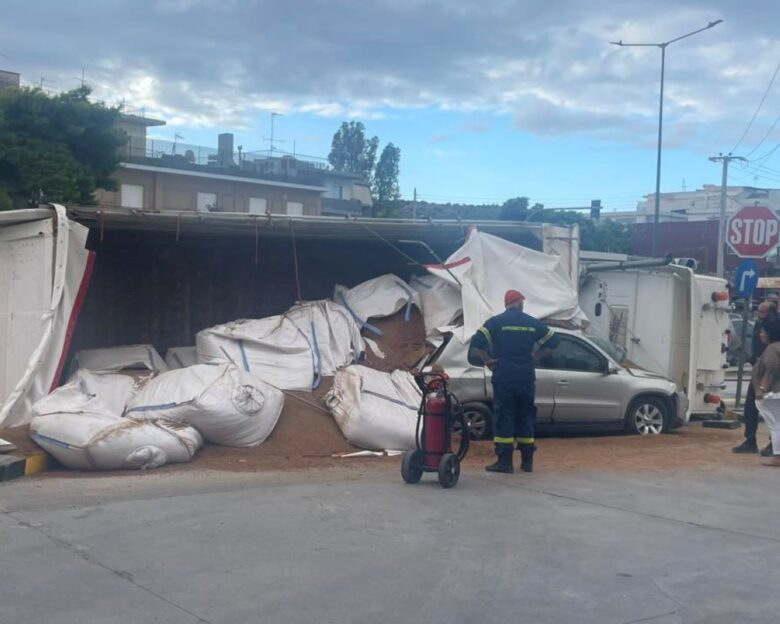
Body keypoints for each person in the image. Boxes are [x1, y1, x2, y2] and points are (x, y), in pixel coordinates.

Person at [468, 289, 559, 474]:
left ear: (506, 303)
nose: (523, 304)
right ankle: (527, 462)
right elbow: (554, 341)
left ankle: (505, 462)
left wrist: (487, 361)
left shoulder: (495, 322)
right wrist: (536, 355)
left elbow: (477, 342)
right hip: (526, 376)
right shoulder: (533, 323)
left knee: (505, 417)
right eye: (522, 301)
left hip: (504, 376)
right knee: (525, 416)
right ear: (518, 302)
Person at [733, 301, 778, 455]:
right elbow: (756, 346)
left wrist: (763, 387)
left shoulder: (776, 327)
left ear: (771, 312)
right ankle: (750, 439)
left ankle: (774, 446)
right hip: (758, 371)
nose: (759, 315)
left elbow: (772, 366)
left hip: (771, 378)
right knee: (750, 408)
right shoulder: (760, 325)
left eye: (762, 312)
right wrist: (754, 360)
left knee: (773, 413)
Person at [752, 317, 780, 466]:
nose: (760, 334)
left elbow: (772, 369)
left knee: (775, 425)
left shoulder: (772, 349)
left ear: (769, 333)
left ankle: (778, 456)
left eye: (762, 332)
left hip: (773, 394)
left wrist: (762, 389)